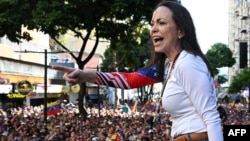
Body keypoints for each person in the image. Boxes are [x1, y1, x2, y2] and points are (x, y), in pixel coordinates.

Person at [52, 1, 223, 141]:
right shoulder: (171, 65)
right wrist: (85, 75)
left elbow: (212, 118)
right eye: (152, 24)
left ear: (181, 31)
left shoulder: (189, 64)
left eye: (161, 23)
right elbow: (131, 79)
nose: (153, 29)